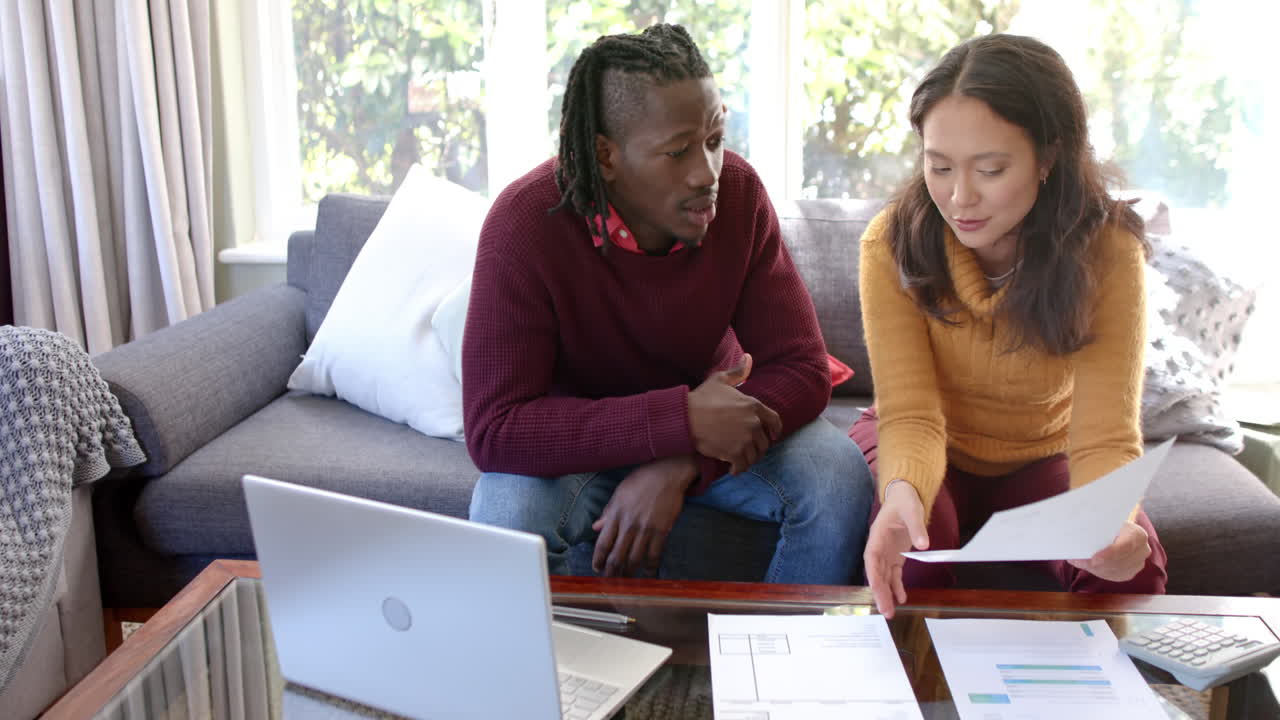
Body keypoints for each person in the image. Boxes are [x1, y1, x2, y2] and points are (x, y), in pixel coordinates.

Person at [462, 24, 873, 584]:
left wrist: (681, 458)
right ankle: (545, 673)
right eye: (677, 151)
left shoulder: (740, 197)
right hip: (576, 446)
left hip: (709, 434)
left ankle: (787, 661)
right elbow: (497, 429)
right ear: (606, 156)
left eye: (714, 139)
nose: (706, 172)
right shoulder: (524, 223)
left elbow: (802, 368)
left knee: (839, 478)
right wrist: (678, 420)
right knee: (505, 516)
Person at [855, 33, 1167, 617]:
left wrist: (1113, 525)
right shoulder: (890, 242)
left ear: (1048, 157)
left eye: (991, 169)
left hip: (1039, 450)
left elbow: (1104, 434)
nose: (959, 197)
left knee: (1132, 566)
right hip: (928, 441)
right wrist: (901, 497)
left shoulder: (1108, 250)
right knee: (914, 556)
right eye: (939, 166)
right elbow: (912, 414)